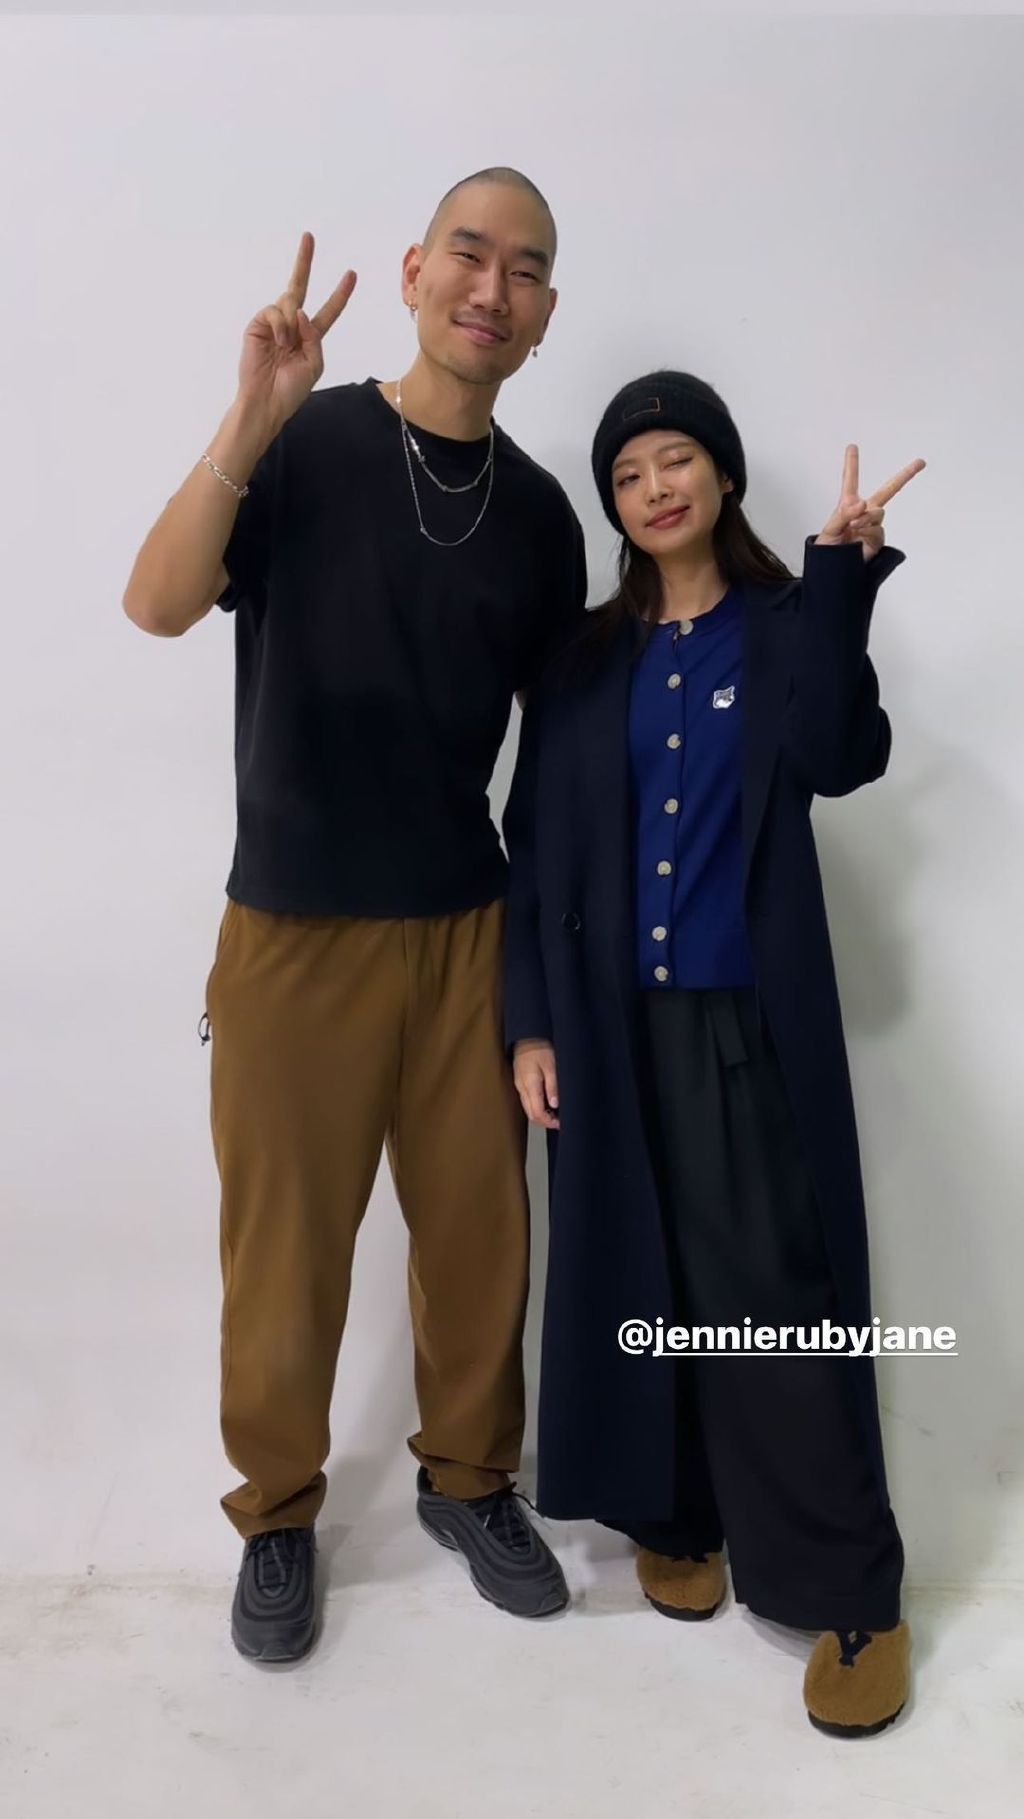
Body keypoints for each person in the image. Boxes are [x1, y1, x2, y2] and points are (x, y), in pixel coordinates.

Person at [122, 167, 587, 1661]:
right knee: (285, 1251)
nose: (491, 289)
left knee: (480, 1240)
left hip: (465, 931)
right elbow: (155, 604)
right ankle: (276, 1513)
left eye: (525, 270)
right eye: (470, 254)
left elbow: (556, 771)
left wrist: (543, 980)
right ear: (412, 270)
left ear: (545, 313)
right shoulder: (309, 441)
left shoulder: (540, 518)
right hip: (295, 928)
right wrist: (248, 417)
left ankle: (471, 1481)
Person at [502, 368, 925, 1735]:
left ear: (724, 474)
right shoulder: (580, 658)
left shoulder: (788, 623)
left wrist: (842, 583)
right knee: (643, 1272)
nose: (655, 488)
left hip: (742, 1026)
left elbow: (841, 754)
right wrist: (529, 1017)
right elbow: (533, 845)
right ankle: (677, 1513)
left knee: (772, 1299)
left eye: (677, 459)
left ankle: (852, 1595)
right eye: (628, 475)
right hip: (608, 1029)